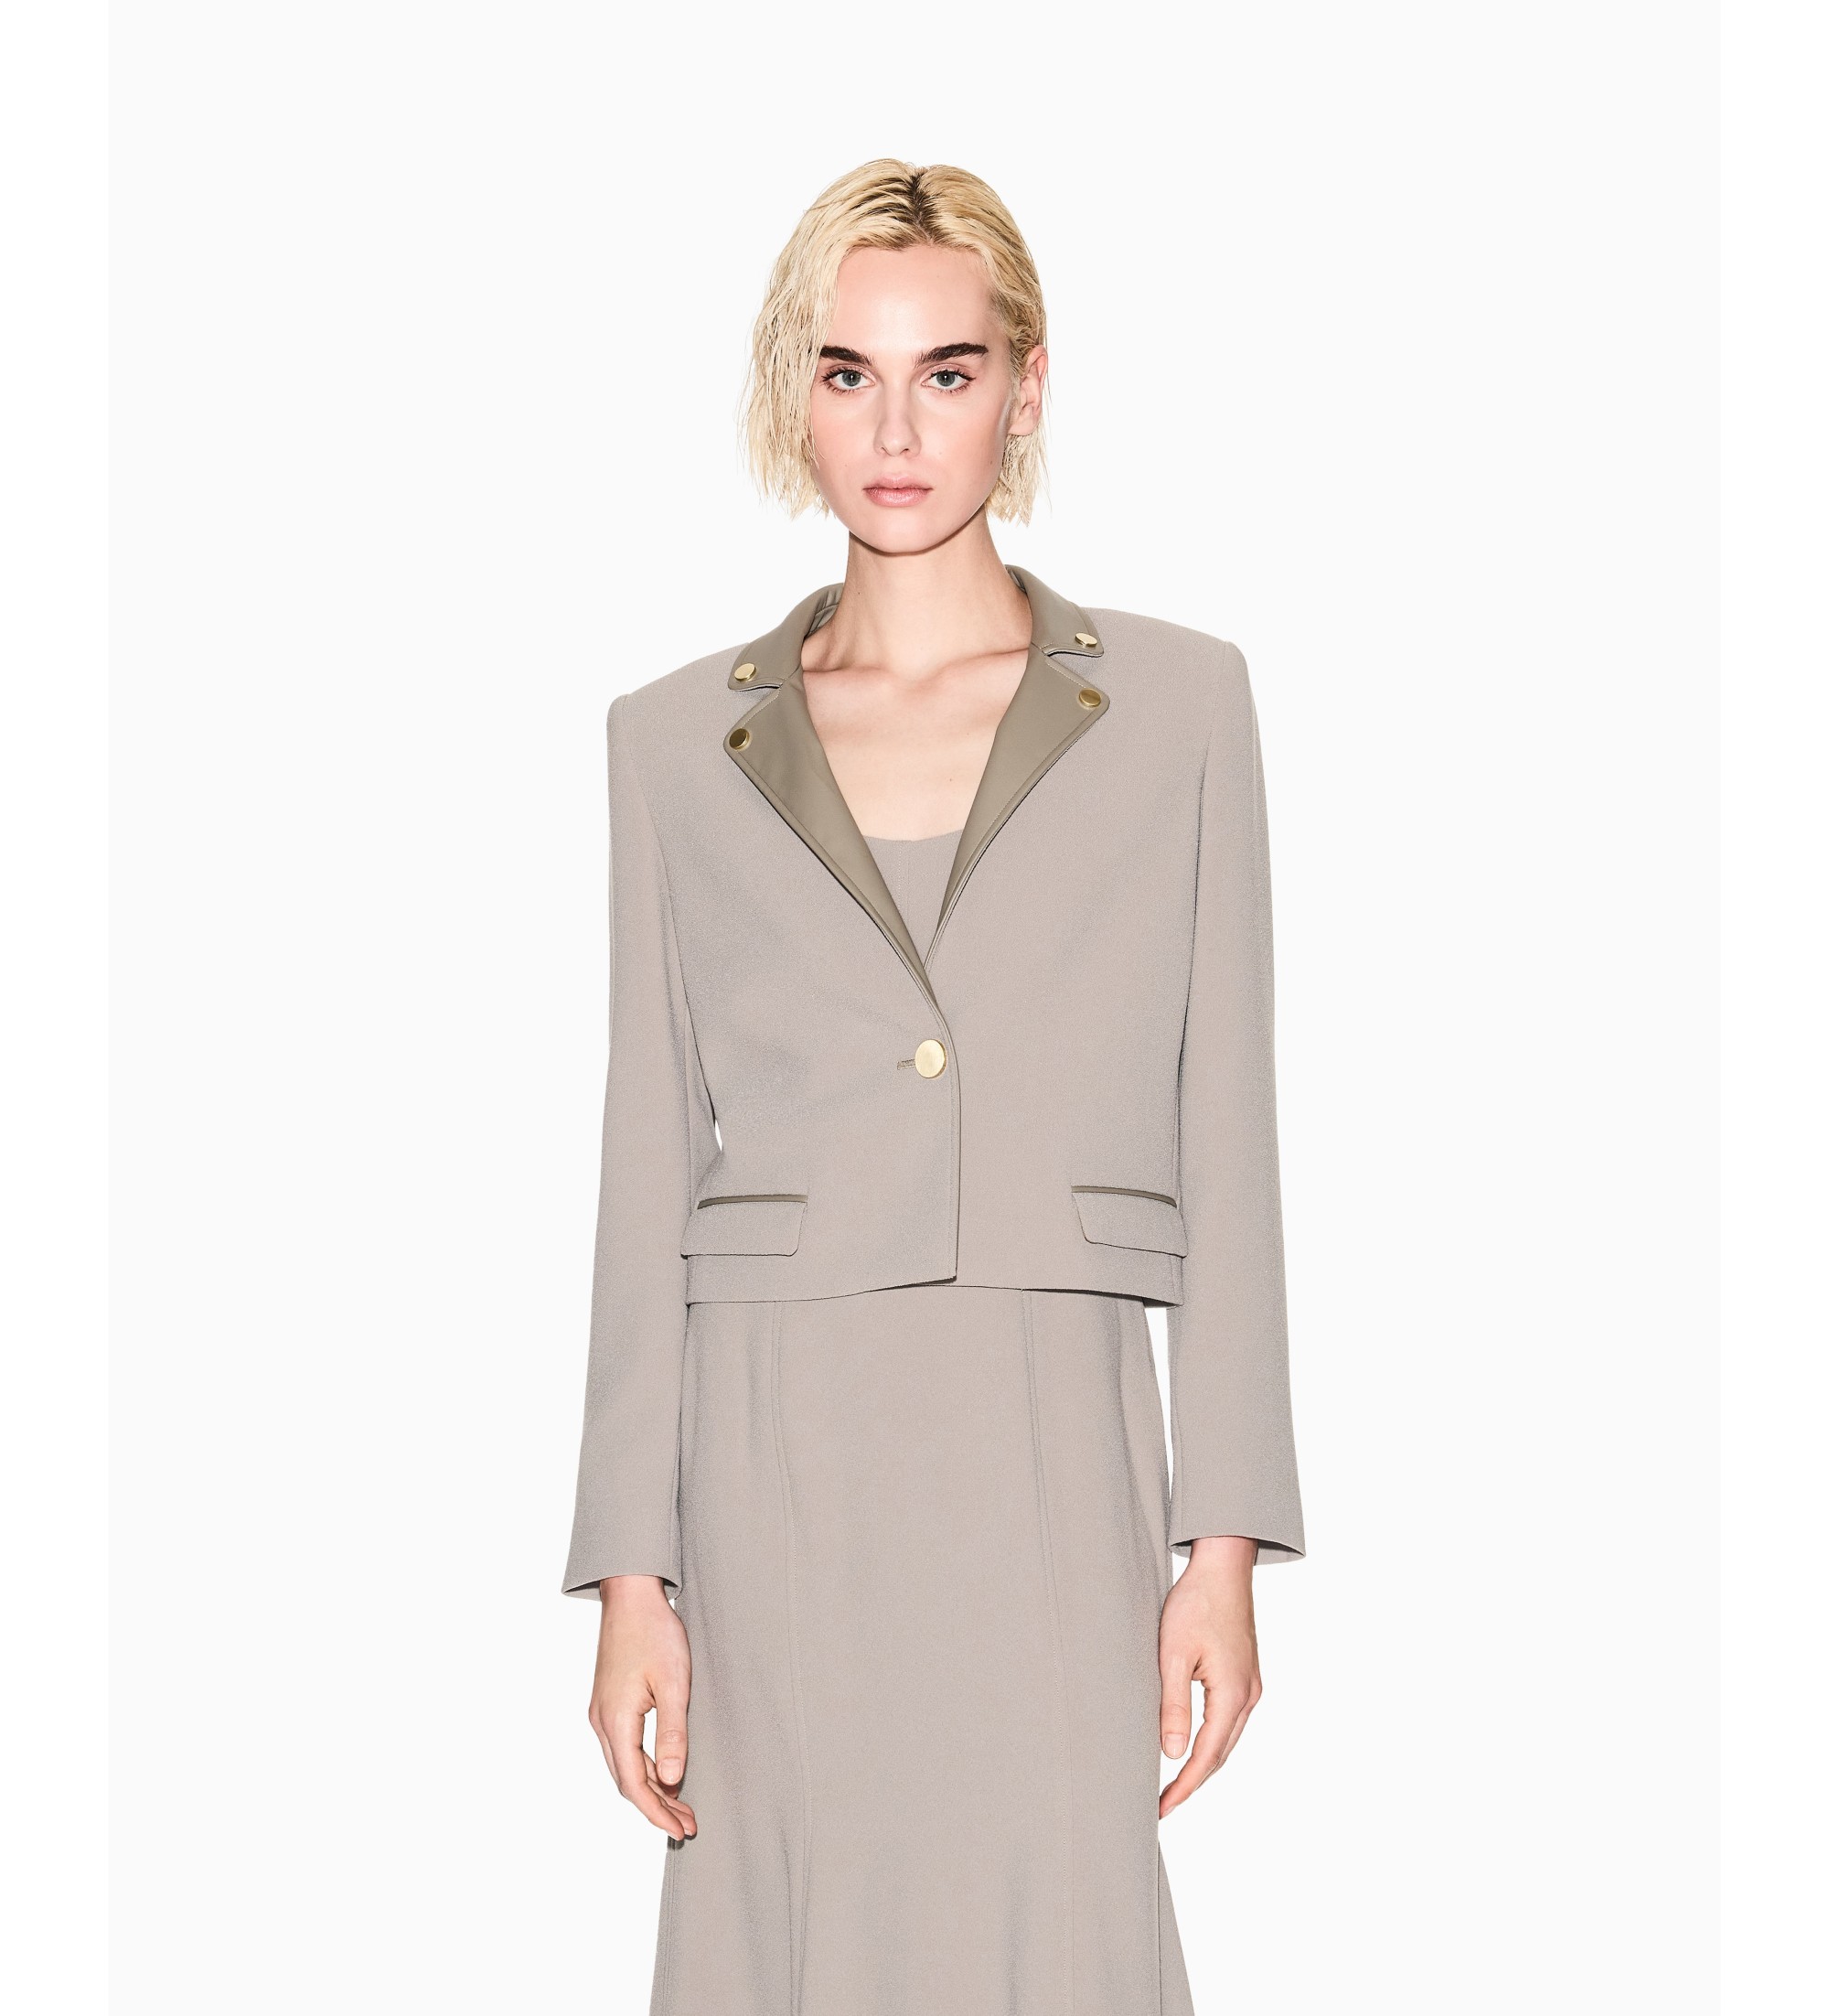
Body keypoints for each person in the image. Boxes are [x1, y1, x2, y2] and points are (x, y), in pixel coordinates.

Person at [561, 158, 1307, 2016]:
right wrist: (632, 1575)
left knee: (1058, 1917)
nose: (894, 430)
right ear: (793, 394)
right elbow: (644, 1156)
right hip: (775, 1446)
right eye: (847, 374)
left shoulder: (1182, 706)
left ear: (1026, 387)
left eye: (946, 373)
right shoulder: (672, 742)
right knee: (790, 1916)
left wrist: (1220, 1545)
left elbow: (1233, 1133)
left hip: (1049, 1416)